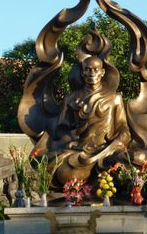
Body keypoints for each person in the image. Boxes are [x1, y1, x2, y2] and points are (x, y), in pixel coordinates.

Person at [50, 56, 131, 185]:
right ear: (82, 73)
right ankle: (79, 188)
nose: (91, 73)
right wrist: (71, 141)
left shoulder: (114, 98)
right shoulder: (71, 99)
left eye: (96, 70)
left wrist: (120, 138)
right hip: (81, 151)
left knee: (126, 164)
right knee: (64, 172)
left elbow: (122, 126)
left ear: (102, 72)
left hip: (107, 149)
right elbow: (62, 130)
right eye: (87, 70)